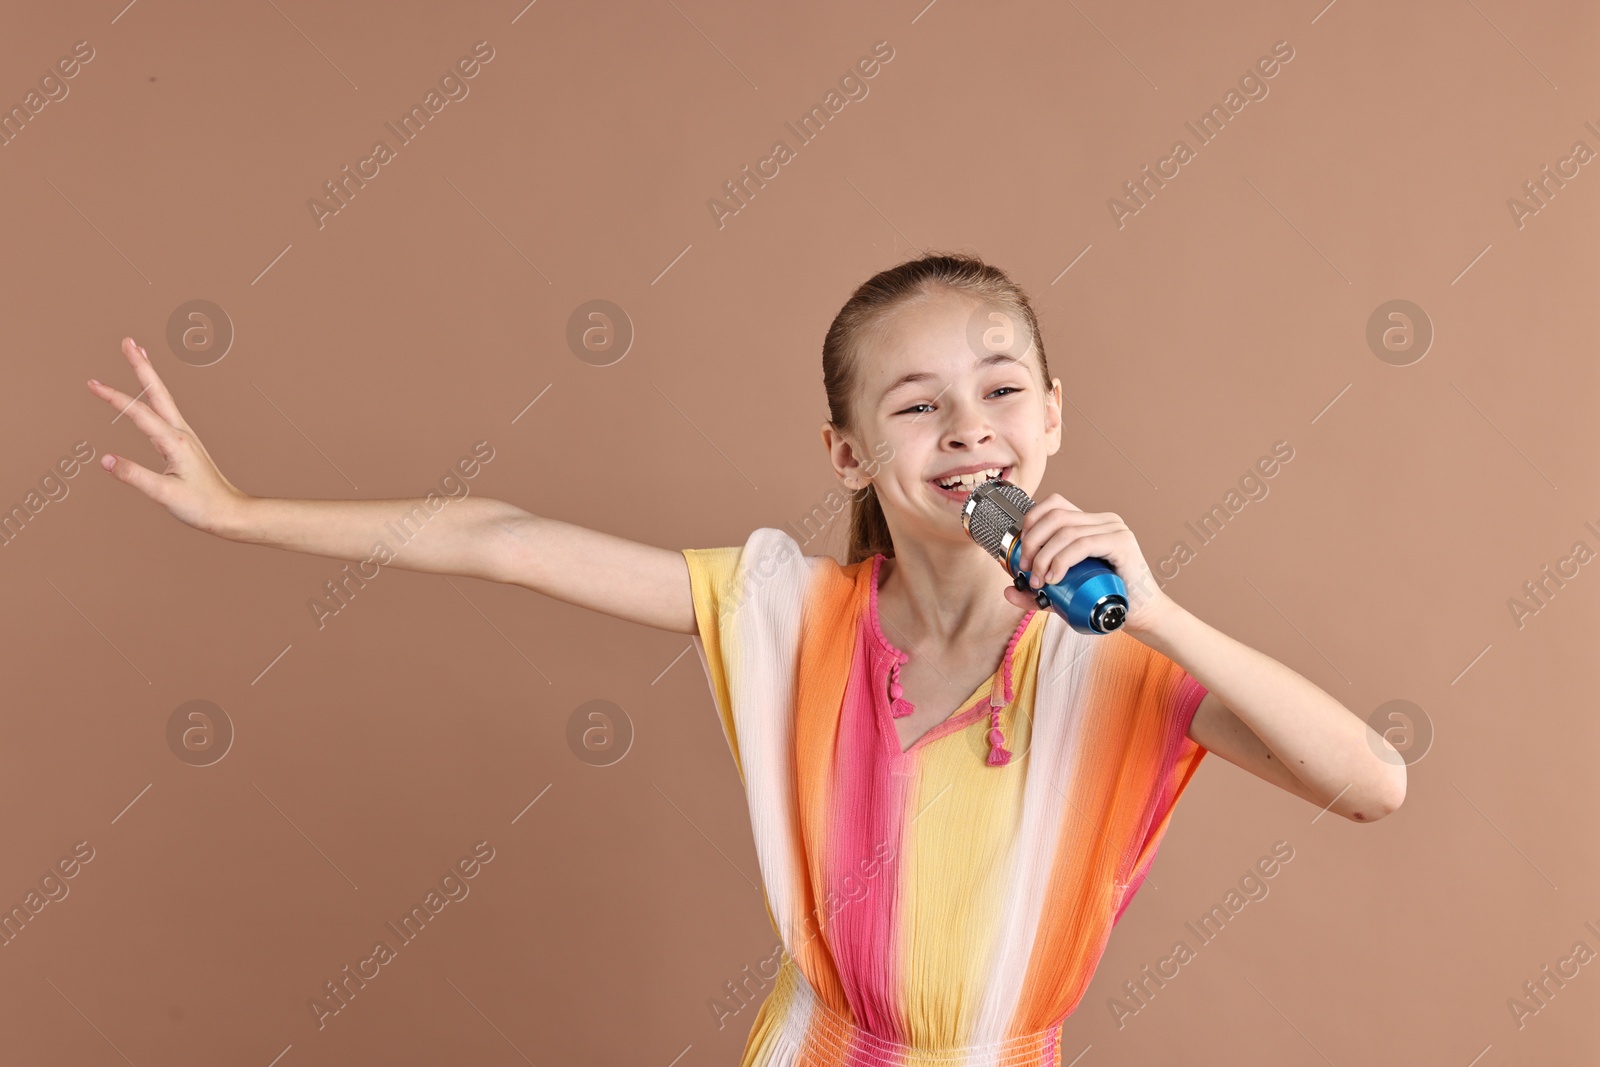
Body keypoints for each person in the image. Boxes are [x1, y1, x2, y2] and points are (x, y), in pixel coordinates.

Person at [87, 251, 1405, 1065]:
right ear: (849, 453)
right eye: (916, 404)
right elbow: (500, 534)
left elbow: (1371, 783)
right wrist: (241, 510)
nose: (970, 430)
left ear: (1053, 418)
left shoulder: (1118, 655)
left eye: (1001, 390)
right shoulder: (791, 615)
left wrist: (1159, 612)